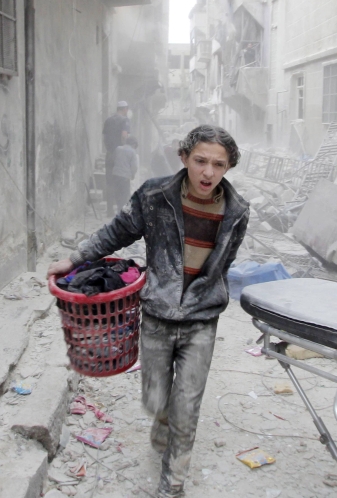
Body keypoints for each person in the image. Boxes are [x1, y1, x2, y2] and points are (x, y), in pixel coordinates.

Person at [48, 125, 249, 498]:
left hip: (202, 320)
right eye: (200, 161)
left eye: (218, 164)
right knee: (156, 399)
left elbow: (224, 262)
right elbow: (117, 231)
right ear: (184, 158)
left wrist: (209, 294)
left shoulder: (237, 212)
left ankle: (172, 484)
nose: (208, 172)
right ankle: (162, 426)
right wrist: (73, 259)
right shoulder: (155, 196)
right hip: (156, 315)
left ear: (228, 167)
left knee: (187, 405)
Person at [102, 101, 131, 216]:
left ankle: (109, 210)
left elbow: (104, 137)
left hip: (109, 154)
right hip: (120, 155)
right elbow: (124, 135)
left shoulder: (108, 120)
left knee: (110, 182)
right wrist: (124, 148)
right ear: (125, 109)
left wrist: (109, 149)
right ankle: (120, 210)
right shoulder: (125, 120)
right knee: (122, 181)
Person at [107, 135, 139, 214]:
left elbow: (113, 160)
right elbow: (134, 166)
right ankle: (122, 212)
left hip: (116, 175)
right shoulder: (132, 152)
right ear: (134, 144)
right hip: (125, 176)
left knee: (117, 194)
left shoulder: (118, 149)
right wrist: (133, 175)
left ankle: (119, 209)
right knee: (124, 195)